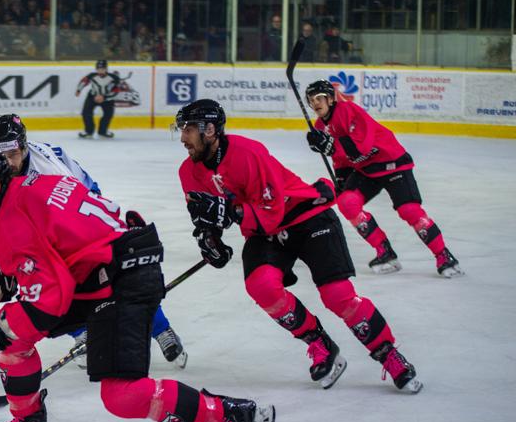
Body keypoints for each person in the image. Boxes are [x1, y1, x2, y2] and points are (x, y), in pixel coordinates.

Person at [0, 144, 275, 422]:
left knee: (123, 395)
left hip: (122, 279)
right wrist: (16, 274)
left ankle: (233, 413)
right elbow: (63, 243)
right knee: (12, 336)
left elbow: (48, 301)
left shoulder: (11, 224)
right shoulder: (38, 182)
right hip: (109, 267)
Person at [175, 99, 422, 393]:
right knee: (262, 286)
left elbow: (271, 209)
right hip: (264, 230)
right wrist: (210, 240)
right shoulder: (187, 172)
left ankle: (388, 353)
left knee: (337, 294)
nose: (183, 138)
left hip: (306, 215)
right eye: (182, 130)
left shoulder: (248, 152)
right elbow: (204, 216)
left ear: (210, 130)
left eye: (188, 129)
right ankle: (319, 343)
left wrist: (232, 212)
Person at [0, 113, 188, 368]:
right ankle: (83, 332)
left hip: (79, 220)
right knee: (51, 285)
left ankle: (161, 329)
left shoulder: (47, 168)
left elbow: (76, 205)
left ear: (24, 147)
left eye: (12, 153)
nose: (6, 162)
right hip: (52, 221)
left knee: (113, 279)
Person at [304, 80, 462, 277]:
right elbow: (340, 159)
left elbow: (361, 147)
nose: (315, 103)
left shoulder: (347, 110)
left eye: (319, 98)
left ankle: (444, 256)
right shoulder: (321, 126)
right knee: (347, 203)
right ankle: (385, 252)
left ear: (330, 99)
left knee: (409, 210)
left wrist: (332, 146)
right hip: (366, 170)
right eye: (311, 100)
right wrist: (342, 179)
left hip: (392, 161)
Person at [75, 59, 120, 139]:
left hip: (107, 99)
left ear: (106, 69)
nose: (100, 71)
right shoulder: (92, 76)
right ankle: (89, 131)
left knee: (108, 114)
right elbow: (83, 81)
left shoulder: (114, 78)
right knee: (86, 113)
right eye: (98, 69)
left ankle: (103, 131)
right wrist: (79, 90)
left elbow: (116, 91)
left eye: (102, 69)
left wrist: (104, 97)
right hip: (93, 96)